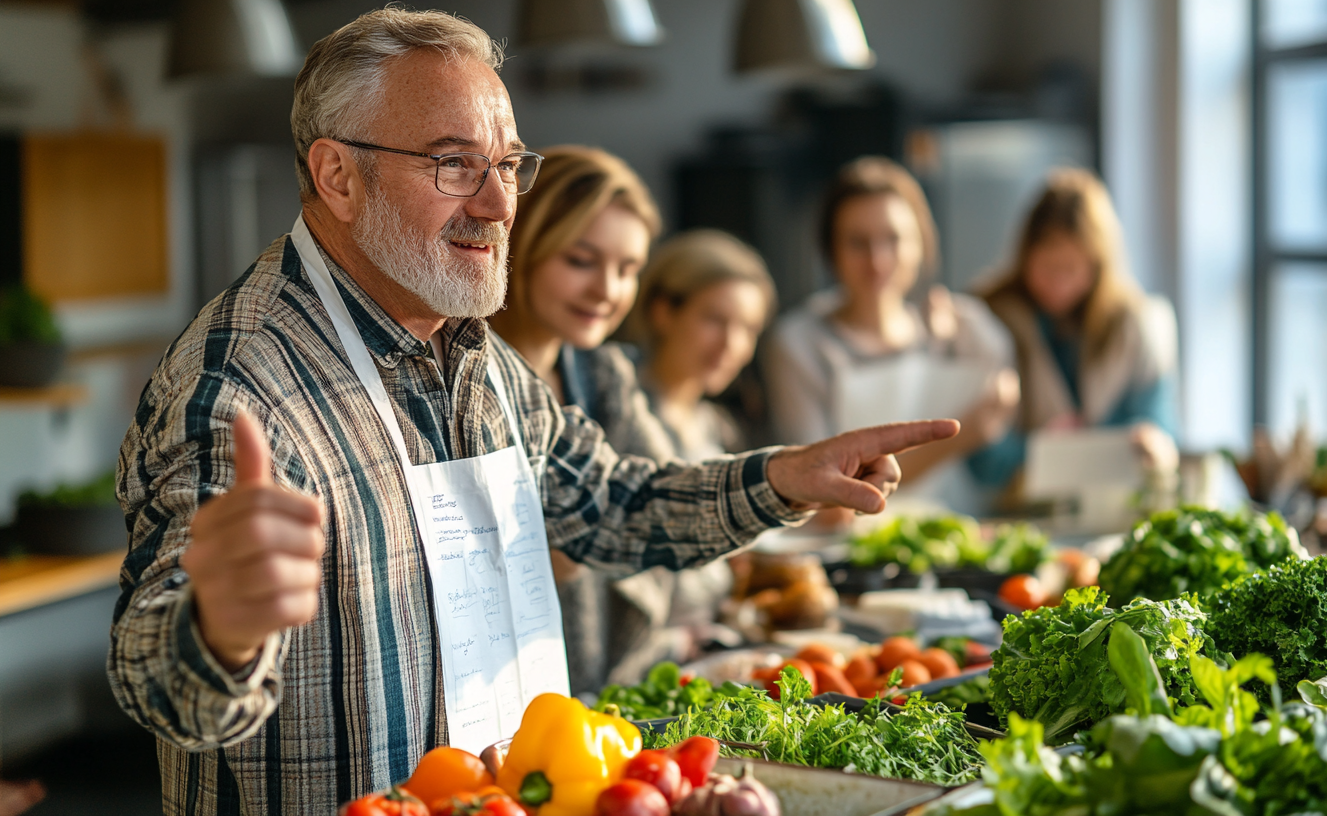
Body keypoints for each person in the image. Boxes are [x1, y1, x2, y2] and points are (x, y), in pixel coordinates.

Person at [105, 10, 955, 814]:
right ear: (337, 175)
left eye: (508, 164)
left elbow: (607, 504)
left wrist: (782, 478)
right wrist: (218, 631)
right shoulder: (239, 387)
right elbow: (150, 678)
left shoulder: (475, 353)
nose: (501, 205)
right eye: (454, 164)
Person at [487, 144, 696, 692]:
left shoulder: (602, 373)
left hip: (601, 686)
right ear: (523, 245)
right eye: (581, 261)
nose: (607, 291)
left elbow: (671, 489)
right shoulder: (464, 379)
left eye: (627, 269)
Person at [763, 156, 1018, 517]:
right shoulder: (801, 344)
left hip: (961, 530)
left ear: (922, 244)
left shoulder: (962, 327)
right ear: (830, 250)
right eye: (857, 242)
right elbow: (822, 497)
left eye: (894, 239)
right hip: (853, 549)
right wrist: (960, 436)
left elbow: (1007, 394)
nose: (877, 261)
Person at [976, 167, 1179, 488]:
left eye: (1070, 269)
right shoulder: (991, 320)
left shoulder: (1133, 326)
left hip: (1111, 501)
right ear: (1024, 257)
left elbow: (1159, 424)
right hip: (1019, 506)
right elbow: (982, 453)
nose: (1058, 285)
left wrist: (1151, 442)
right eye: (1046, 267)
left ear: (1098, 266)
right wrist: (1045, 453)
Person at [625, 229, 777, 461]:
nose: (732, 344)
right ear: (662, 311)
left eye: (749, 329)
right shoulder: (613, 402)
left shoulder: (721, 429)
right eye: (715, 319)